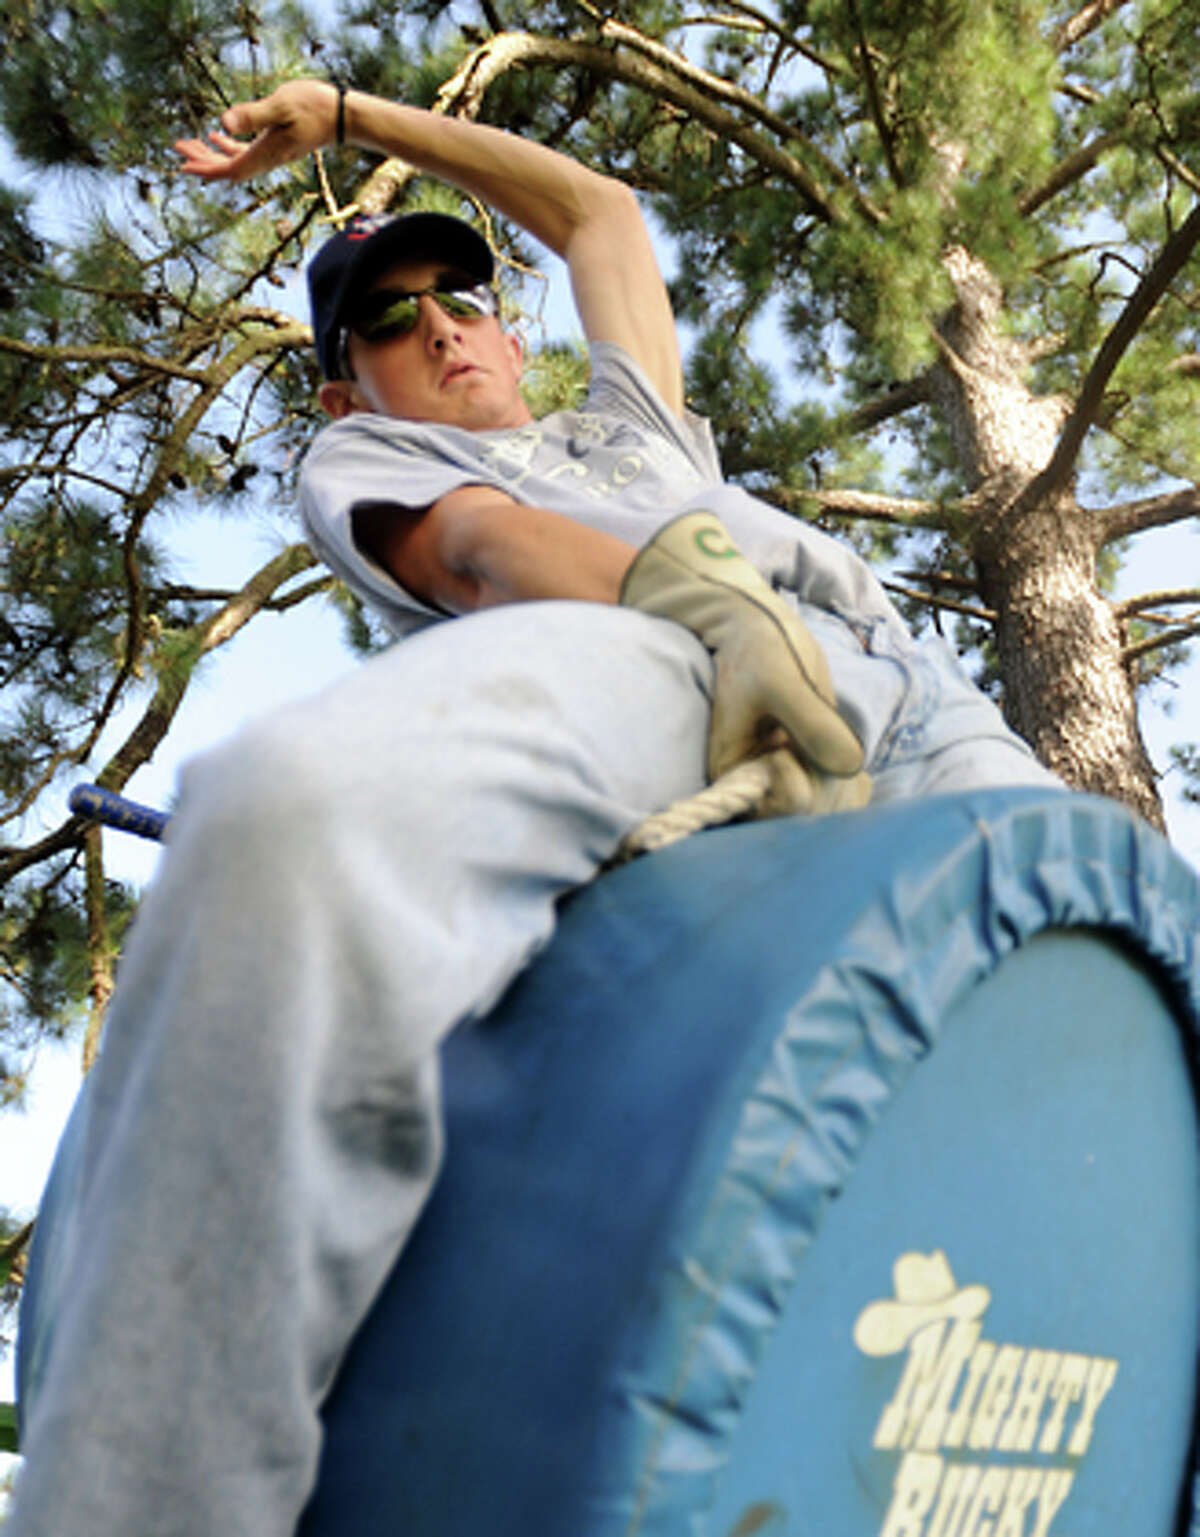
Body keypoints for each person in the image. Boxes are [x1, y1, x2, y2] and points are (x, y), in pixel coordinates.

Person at [7, 81, 1060, 1537]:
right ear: (342, 383)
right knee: (282, 812)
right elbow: (482, 548)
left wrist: (355, 114)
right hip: (642, 643)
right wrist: (693, 590)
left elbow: (599, 215)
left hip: (904, 684)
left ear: (509, 327)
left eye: (460, 294)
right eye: (385, 319)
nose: (435, 326)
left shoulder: (637, 427)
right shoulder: (369, 459)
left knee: (1111, 994)